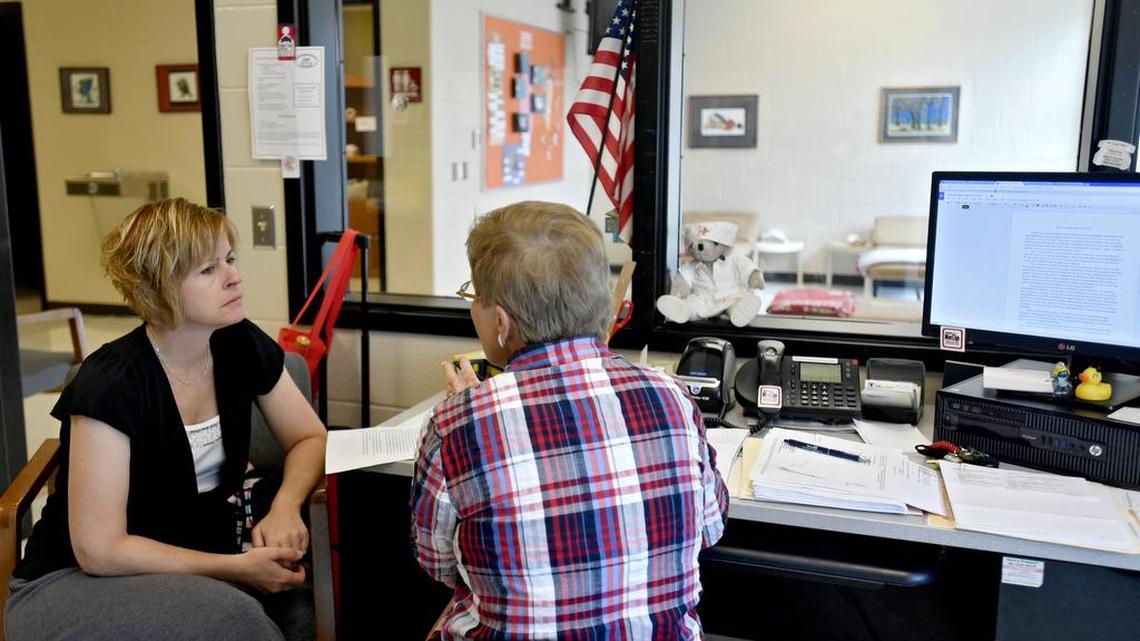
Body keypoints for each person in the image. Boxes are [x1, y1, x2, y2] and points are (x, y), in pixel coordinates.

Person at [5, 198, 327, 640]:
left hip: (191, 559)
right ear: (159, 287)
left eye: (229, 260)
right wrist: (236, 568)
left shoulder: (239, 342)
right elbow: (101, 551)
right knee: (236, 620)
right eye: (208, 270)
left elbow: (309, 437)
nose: (234, 277)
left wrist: (285, 507)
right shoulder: (111, 382)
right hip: (77, 580)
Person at [412, 201, 730, 640]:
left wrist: (472, 410)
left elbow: (439, 564)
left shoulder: (454, 425)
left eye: (474, 296)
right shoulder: (674, 398)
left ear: (501, 321)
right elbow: (711, 527)